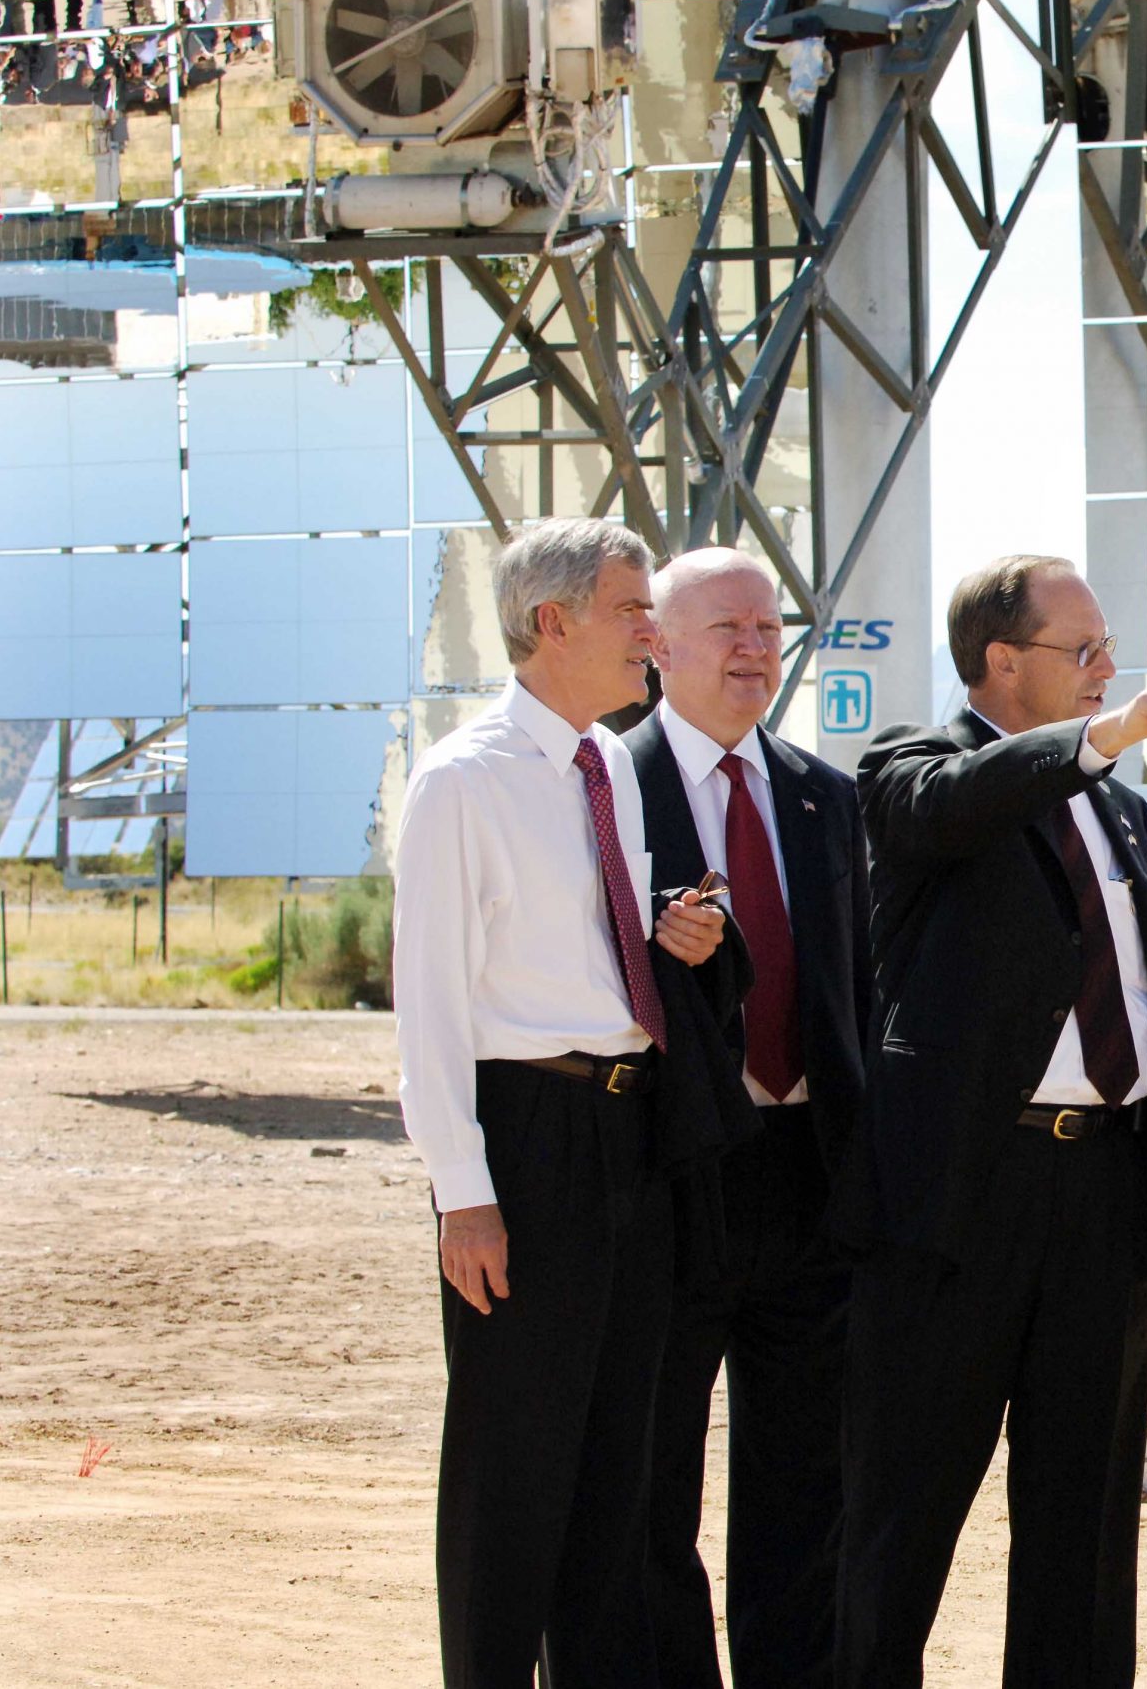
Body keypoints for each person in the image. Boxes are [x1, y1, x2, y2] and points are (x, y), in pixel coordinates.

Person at [836, 555, 1147, 1689]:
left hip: (1104, 1195)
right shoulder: (911, 766)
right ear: (1001, 660)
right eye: (1083, 649)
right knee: (900, 1512)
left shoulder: (1123, 811)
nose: (1108, 670)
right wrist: (1103, 733)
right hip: (961, 1195)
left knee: (1085, 1524)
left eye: (1108, 650)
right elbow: (957, 805)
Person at [393, 517, 732, 1688]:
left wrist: (664, 932)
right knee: (514, 1463)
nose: (655, 632)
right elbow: (431, 1007)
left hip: (628, 1128)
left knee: (614, 1469)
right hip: (526, 1139)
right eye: (634, 610)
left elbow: (575, 951)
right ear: (553, 623)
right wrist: (464, 1194)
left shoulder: (607, 771)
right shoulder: (462, 781)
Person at [630, 549, 874, 1689]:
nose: (753, 647)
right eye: (724, 625)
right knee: (647, 1485)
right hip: (668, 1176)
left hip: (809, 1178)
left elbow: (857, 988)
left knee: (806, 1486)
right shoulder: (606, 787)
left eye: (769, 627)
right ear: (657, 647)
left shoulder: (826, 795)